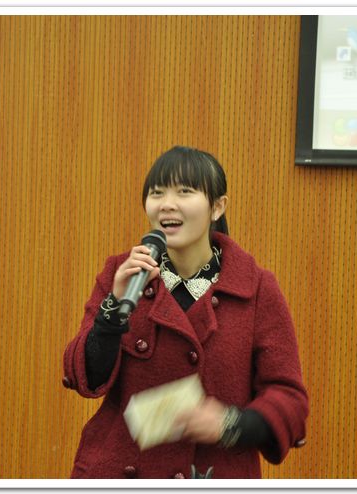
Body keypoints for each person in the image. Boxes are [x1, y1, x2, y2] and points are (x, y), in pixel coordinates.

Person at [62, 146, 308, 479]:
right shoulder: (122, 273)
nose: (167, 204)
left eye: (184, 192)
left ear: (217, 206)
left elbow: (289, 399)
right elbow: (85, 378)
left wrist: (229, 424)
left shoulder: (256, 287)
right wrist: (114, 309)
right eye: (157, 193)